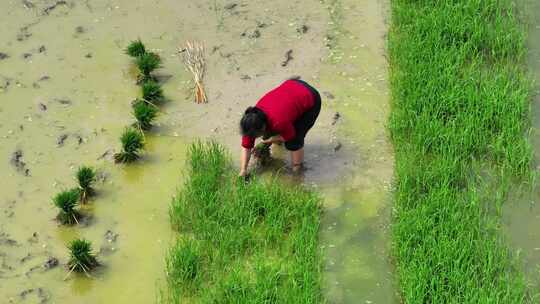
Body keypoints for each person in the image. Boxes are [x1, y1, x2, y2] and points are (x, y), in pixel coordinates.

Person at [239, 78, 321, 177]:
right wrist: (243, 170)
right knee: (276, 132)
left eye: (257, 135)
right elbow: (246, 146)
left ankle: (297, 169)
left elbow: (292, 136)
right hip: (292, 86)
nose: (254, 138)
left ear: (263, 126)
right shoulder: (250, 121)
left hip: (310, 98)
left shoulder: (278, 122)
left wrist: (271, 139)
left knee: (295, 141)